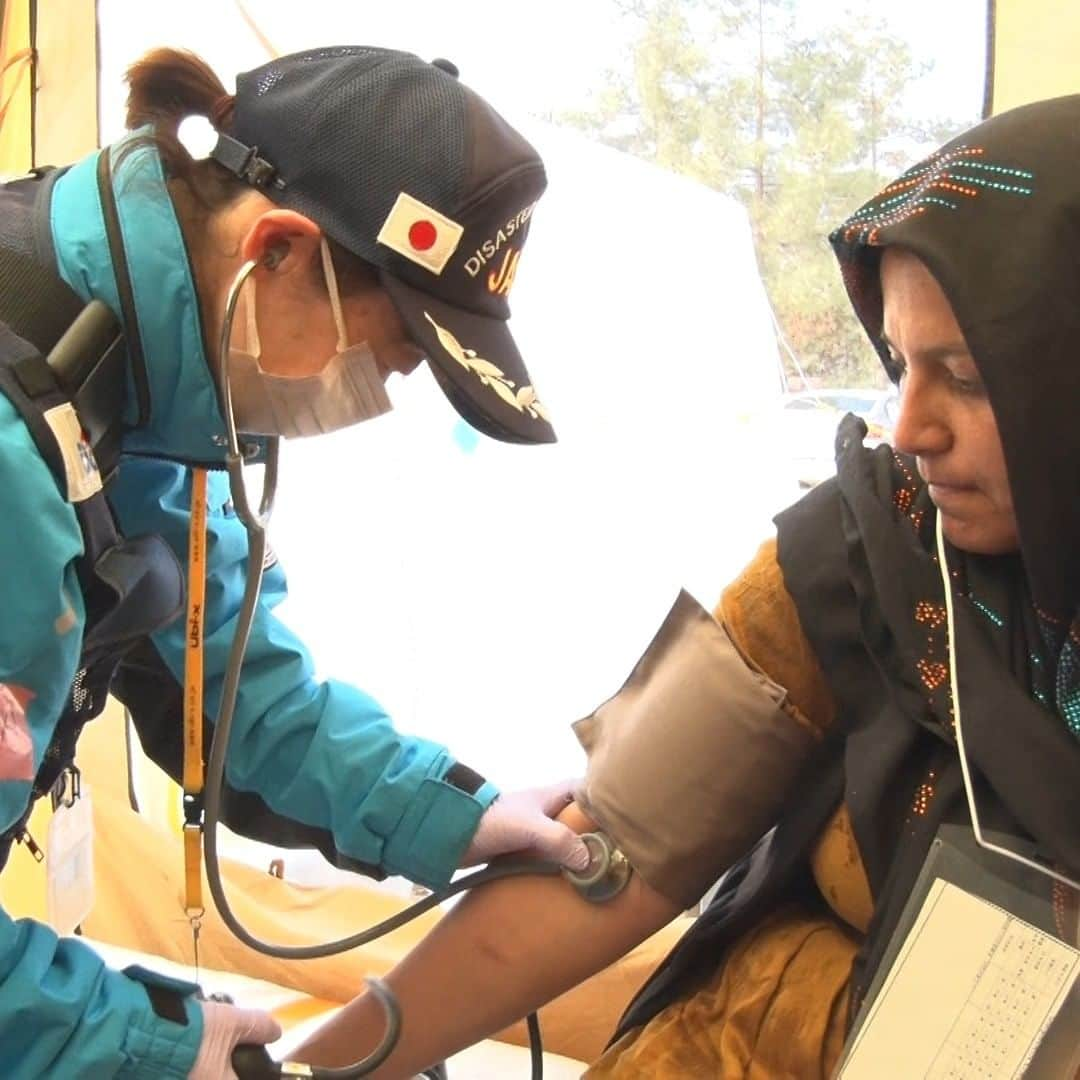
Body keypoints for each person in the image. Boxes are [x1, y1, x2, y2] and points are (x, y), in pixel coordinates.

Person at [292, 94, 1080, 1077]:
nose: (911, 429)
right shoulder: (867, 556)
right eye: (899, 364)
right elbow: (614, 856)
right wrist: (315, 1072)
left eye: (966, 375)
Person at [0, 45, 591, 1079]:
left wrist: (451, 813)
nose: (377, 395)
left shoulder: (151, 397)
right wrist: (147, 1045)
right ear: (278, 249)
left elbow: (237, 692)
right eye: (392, 355)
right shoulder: (17, 449)